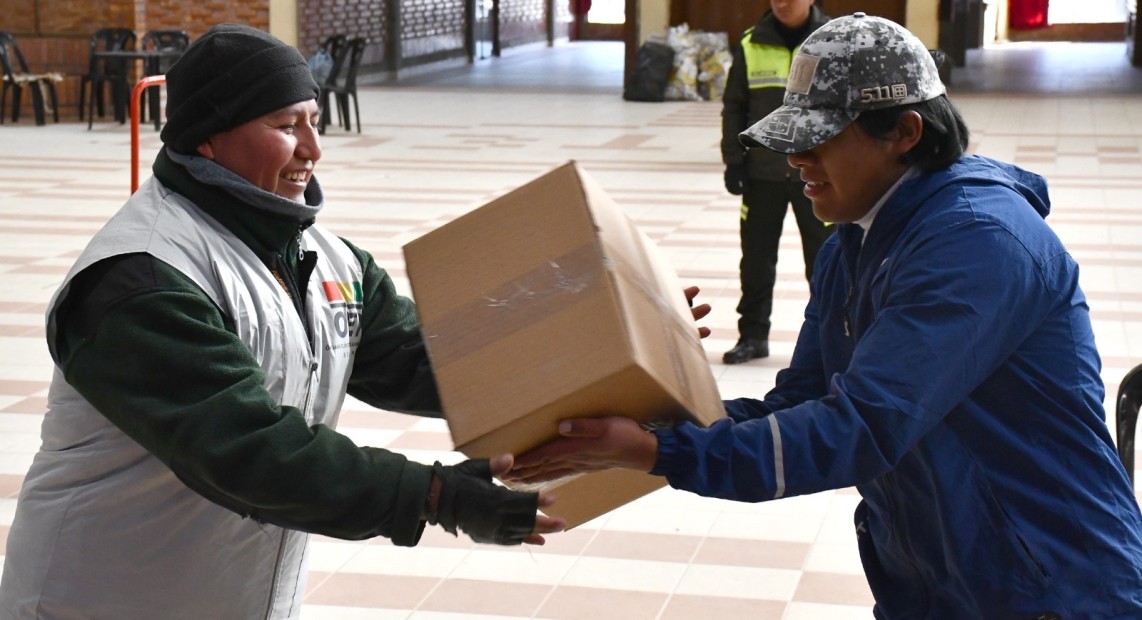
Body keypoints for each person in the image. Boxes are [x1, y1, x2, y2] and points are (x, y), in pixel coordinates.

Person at [511, 13, 1142, 618]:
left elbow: (858, 429)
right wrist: (641, 423)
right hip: (935, 579)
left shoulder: (978, 243)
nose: (796, 163)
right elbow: (802, 400)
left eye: (817, 142)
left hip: (1049, 587)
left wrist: (658, 451)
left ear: (904, 132)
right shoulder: (855, 242)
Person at [0, 24, 564, 620]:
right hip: (101, 599)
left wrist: (582, 372)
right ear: (208, 139)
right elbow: (249, 451)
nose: (312, 149)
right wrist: (433, 495)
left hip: (234, 597)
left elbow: (426, 363)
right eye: (285, 125)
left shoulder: (328, 260)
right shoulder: (139, 278)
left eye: (313, 121)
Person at [720, 0, 834, 364]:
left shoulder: (833, 40)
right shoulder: (752, 42)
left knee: (827, 260)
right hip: (763, 174)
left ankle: (830, 341)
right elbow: (734, 105)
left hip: (817, 173)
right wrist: (734, 161)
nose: (782, 3)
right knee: (755, 260)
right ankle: (752, 336)